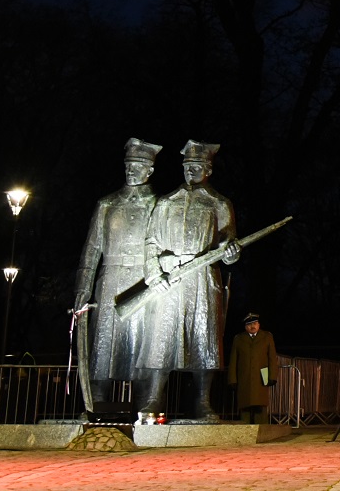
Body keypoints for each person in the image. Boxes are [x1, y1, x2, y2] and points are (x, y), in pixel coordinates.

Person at [139, 140, 239, 419]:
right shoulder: (166, 202)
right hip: (170, 279)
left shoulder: (219, 203)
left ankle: (203, 402)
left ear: (208, 169)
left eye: (196, 167)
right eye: (187, 167)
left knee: (204, 340)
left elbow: (228, 247)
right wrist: (154, 273)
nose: (191, 172)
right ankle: (153, 399)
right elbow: (151, 242)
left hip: (202, 280)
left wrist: (231, 253)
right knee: (162, 339)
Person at [75, 137, 164, 413]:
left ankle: (147, 401)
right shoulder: (107, 204)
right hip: (109, 281)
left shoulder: (160, 205)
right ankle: (96, 400)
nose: (130, 170)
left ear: (149, 170)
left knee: (143, 343)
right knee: (102, 344)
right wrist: (82, 289)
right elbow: (91, 249)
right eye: (128, 165)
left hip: (142, 278)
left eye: (137, 166)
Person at [225, 311, 279, 424]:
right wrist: (232, 379)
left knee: (260, 405)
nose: (252, 326)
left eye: (255, 323)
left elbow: (272, 358)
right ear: (245, 327)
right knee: (245, 406)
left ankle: (261, 431)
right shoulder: (239, 339)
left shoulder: (267, 337)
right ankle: (245, 433)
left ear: (259, 325)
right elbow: (233, 360)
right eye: (249, 324)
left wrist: (273, 376)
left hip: (261, 378)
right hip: (244, 378)